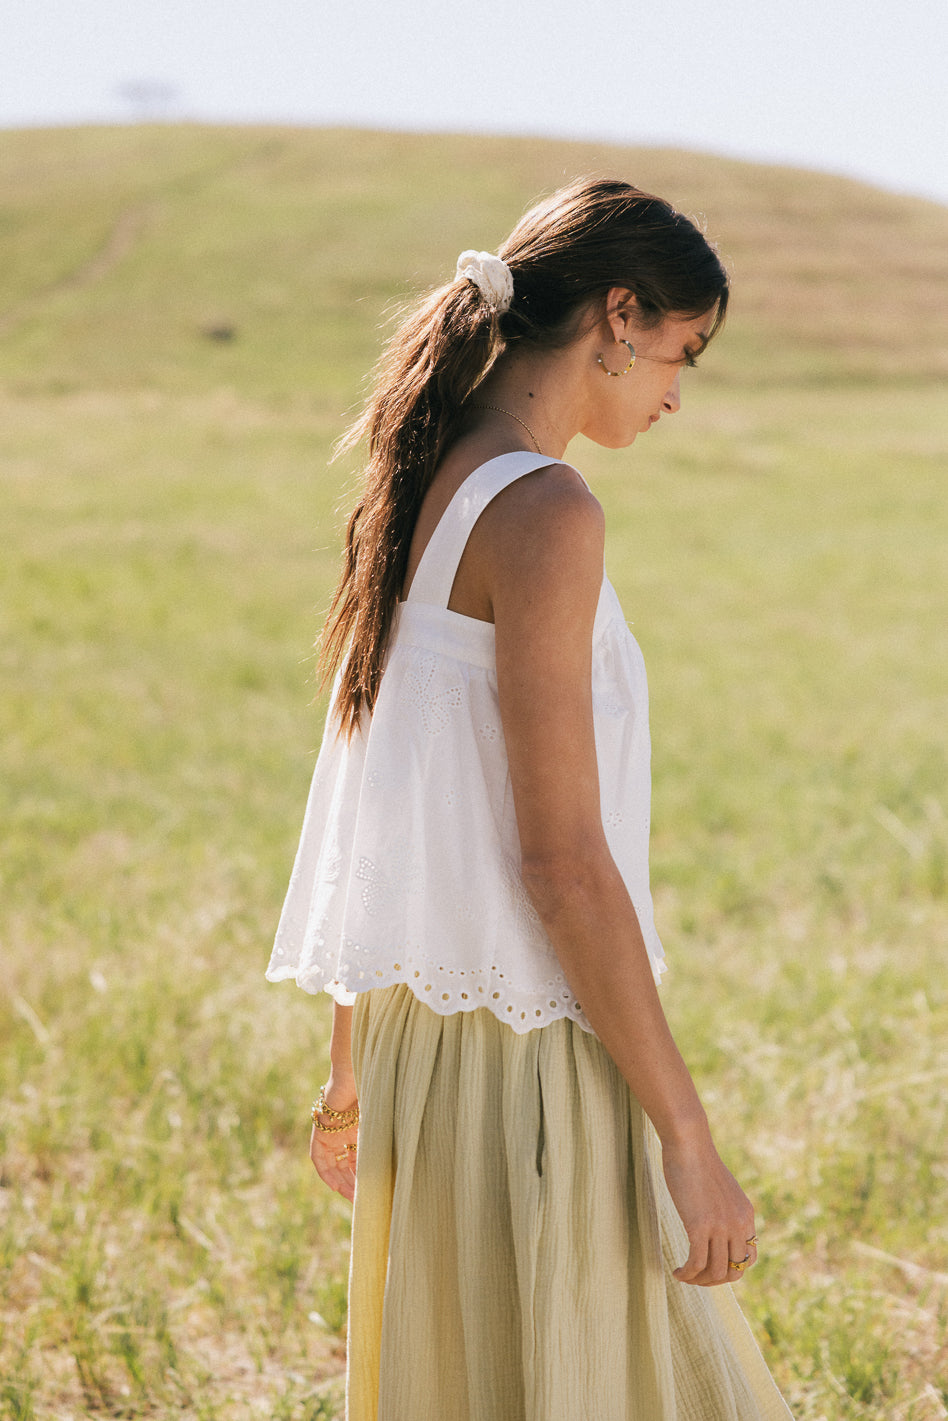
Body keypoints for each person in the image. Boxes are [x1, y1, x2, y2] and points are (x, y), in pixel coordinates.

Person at [267, 177, 792, 1420]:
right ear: (619, 315)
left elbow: (389, 798)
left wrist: (351, 1069)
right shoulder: (546, 509)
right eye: (683, 351)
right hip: (532, 1050)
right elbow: (561, 862)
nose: (677, 392)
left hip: (420, 1043)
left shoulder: (424, 479)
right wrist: (688, 1137)